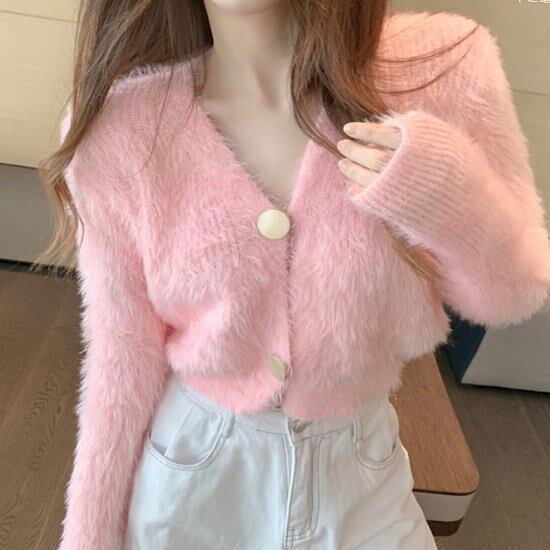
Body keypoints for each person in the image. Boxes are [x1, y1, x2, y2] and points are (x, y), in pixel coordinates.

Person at [38, 1, 550, 549]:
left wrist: (446, 192)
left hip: (360, 473)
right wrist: (88, 537)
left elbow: (513, 294)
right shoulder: (121, 126)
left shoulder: (442, 68)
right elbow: (122, 355)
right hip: (193, 476)